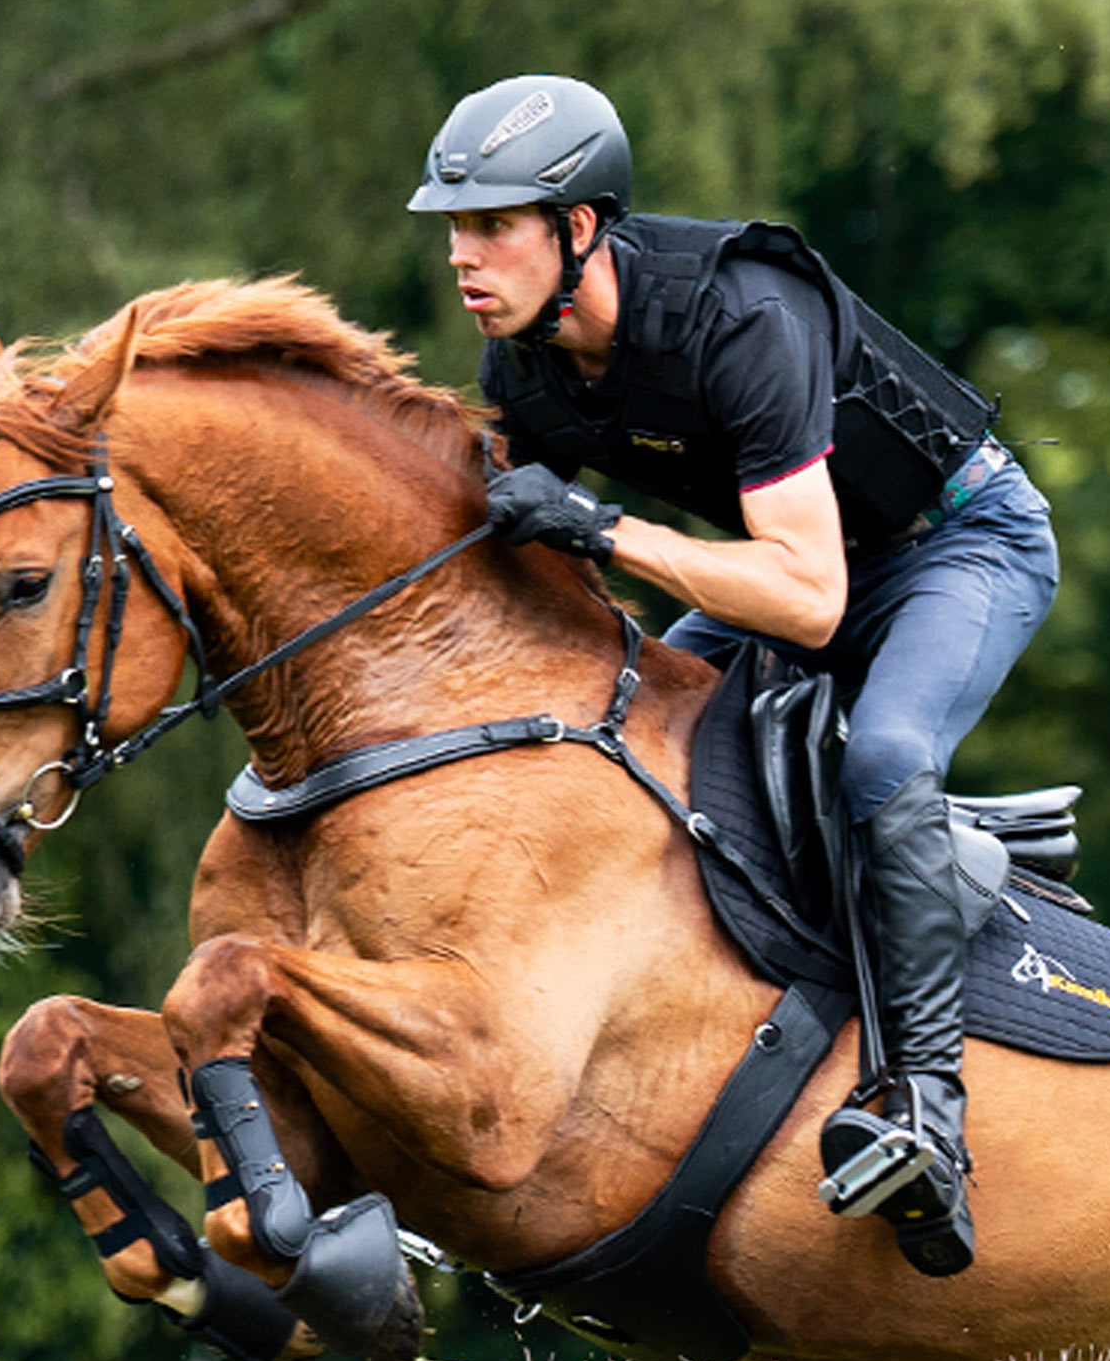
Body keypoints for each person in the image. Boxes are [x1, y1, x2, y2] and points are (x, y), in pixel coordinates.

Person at [408, 74, 1060, 1278]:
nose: (462, 256)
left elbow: (808, 602)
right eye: (454, 228)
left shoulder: (742, 314)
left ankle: (925, 1111)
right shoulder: (524, 369)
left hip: (955, 548)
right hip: (794, 574)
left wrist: (606, 532)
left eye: (492, 225)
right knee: (619, 732)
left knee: (884, 756)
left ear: (579, 227)